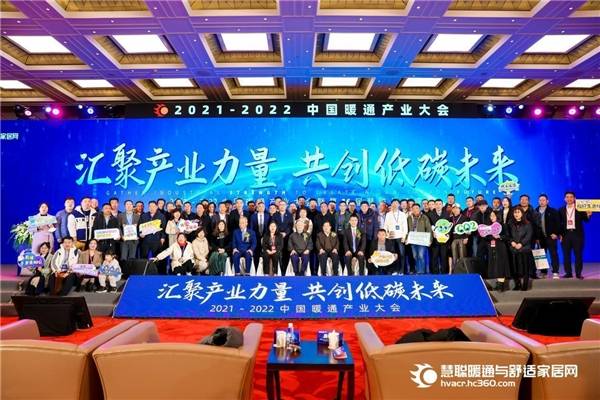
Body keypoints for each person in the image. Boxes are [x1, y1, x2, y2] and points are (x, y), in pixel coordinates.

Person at [559, 191, 592, 279]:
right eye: (567, 197)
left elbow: (586, 220)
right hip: (565, 235)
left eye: (571, 197)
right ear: (564, 199)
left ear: (574, 198)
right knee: (566, 255)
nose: (569, 199)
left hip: (577, 235)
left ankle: (578, 273)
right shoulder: (561, 210)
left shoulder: (579, 208)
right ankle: (568, 273)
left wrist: (588, 215)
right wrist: (560, 235)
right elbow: (559, 224)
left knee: (578, 255)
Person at [508, 206, 533, 291]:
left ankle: (525, 285)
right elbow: (508, 235)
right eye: (515, 212)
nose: (516, 214)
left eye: (518, 212)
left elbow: (529, 235)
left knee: (525, 268)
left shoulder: (528, 223)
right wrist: (512, 242)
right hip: (514, 248)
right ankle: (517, 284)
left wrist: (521, 244)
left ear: (522, 213)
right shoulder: (510, 223)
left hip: (524, 248)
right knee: (514, 268)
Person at [536, 194, 561, 279]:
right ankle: (543, 272)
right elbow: (534, 225)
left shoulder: (553, 211)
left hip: (551, 237)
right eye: (540, 200)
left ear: (547, 201)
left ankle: (555, 272)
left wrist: (556, 233)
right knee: (541, 255)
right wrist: (536, 237)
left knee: (553, 254)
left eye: (543, 200)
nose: (541, 202)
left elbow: (558, 223)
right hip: (540, 238)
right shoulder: (535, 211)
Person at [485, 211, 511, 291]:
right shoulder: (489, 226)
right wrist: (488, 236)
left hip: (500, 247)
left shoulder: (503, 225)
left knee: (501, 265)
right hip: (492, 247)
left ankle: (501, 285)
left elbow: (507, 236)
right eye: (490, 216)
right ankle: (498, 283)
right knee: (494, 265)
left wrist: (499, 236)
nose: (491, 217)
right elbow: (486, 237)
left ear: (497, 216)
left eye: (493, 215)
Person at [383, 199, 408, 275]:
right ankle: (394, 270)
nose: (394, 205)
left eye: (396, 203)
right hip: (391, 237)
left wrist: (404, 236)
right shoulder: (388, 214)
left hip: (400, 237)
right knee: (392, 254)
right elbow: (385, 226)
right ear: (391, 205)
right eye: (393, 203)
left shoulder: (402, 214)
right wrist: (387, 234)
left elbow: (405, 226)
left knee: (402, 254)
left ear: (399, 205)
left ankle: (402, 270)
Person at [407, 204, 432, 274]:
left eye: (417, 208)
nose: (415, 210)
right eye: (414, 208)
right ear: (412, 209)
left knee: (421, 255)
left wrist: (430, 240)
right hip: (413, 240)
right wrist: (406, 239)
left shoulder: (424, 217)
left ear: (419, 209)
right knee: (415, 256)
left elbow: (429, 229)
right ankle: (418, 270)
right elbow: (407, 229)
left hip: (422, 240)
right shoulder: (409, 218)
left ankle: (422, 271)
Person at [427, 199, 449, 274]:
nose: (438, 206)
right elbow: (428, 226)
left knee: (444, 256)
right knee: (434, 256)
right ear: (434, 205)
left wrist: (448, 234)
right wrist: (432, 233)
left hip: (444, 239)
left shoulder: (447, 214)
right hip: (434, 240)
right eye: (436, 204)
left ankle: (444, 272)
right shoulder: (430, 214)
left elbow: (449, 226)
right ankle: (434, 273)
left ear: (442, 205)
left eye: (440, 204)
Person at [250, 201, 270, 268]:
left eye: (262, 207)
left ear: (264, 208)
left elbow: (269, 227)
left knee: (265, 253)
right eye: (259, 206)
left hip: (265, 237)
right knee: (256, 253)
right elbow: (251, 228)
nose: (261, 208)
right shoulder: (253, 216)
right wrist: (252, 237)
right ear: (257, 208)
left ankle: (265, 269)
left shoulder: (268, 216)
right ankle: (256, 268)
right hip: (256, 237)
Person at [449, 204, 469, 271]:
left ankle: (463, 270)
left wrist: (466, 237)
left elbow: (467, 228)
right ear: (452, 210)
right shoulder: (450, 218)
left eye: (457, 208)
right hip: (453, 239)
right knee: (454, 255)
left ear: (460, 209)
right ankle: (455, 270)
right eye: (454, 208)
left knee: (462, 255)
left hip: (462, 238)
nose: (455, 210)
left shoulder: (464, 217)